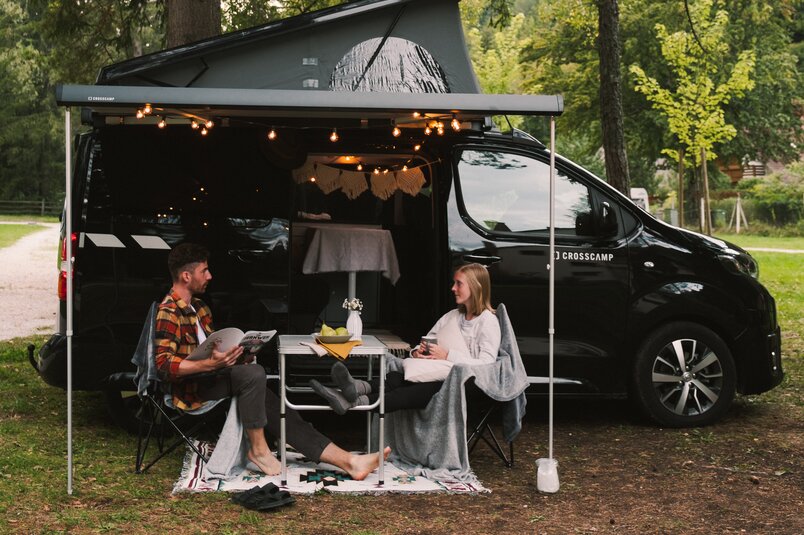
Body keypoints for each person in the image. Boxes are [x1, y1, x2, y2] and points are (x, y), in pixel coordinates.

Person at [154, 243, 389, 480]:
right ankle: (258, 450)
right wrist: (211, 365)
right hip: (191, 389)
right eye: (204, 271)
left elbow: (211, 350)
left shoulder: (201, 308)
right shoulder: (169, 311)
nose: (210, 276)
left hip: (213, 377)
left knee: (271, 400)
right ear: (186, 276)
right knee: (254, 375)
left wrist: (240, 353)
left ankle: (349, 461)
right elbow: (163, 366)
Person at [310, 263, 501, 414]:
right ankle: (355, 388)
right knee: (397, 377)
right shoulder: (451, 316)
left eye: (458, 283)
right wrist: (417, 351)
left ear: (476, 287)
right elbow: (428, 340)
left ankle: (353, 400)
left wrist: (448, 355)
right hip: (439, 370)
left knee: (413, 388)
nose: (453, 288)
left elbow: (487, 365)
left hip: (469, 382)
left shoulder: (488, 322)